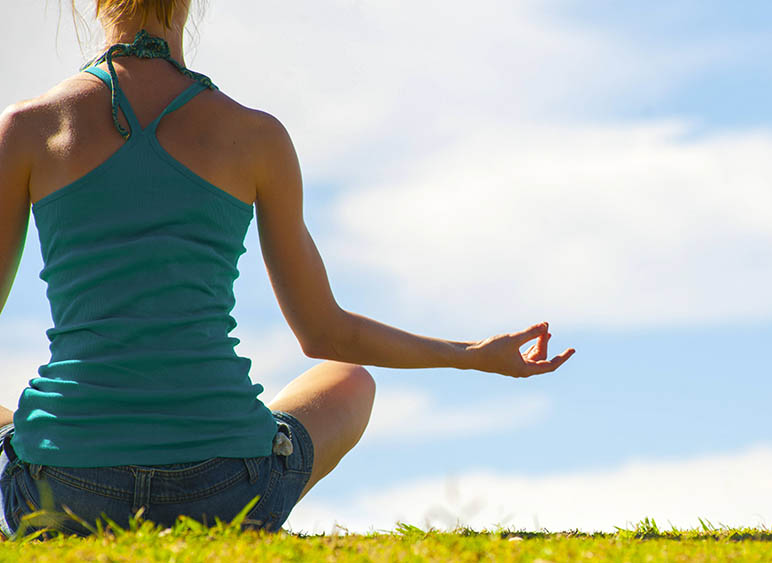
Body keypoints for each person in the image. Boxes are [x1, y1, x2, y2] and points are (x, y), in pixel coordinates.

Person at [0, 0, 574, 536]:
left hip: (63, 490)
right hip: (226, 489)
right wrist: (470, 355)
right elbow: (325, 333)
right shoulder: (256, 137)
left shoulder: (29, 127)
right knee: (349, 379)